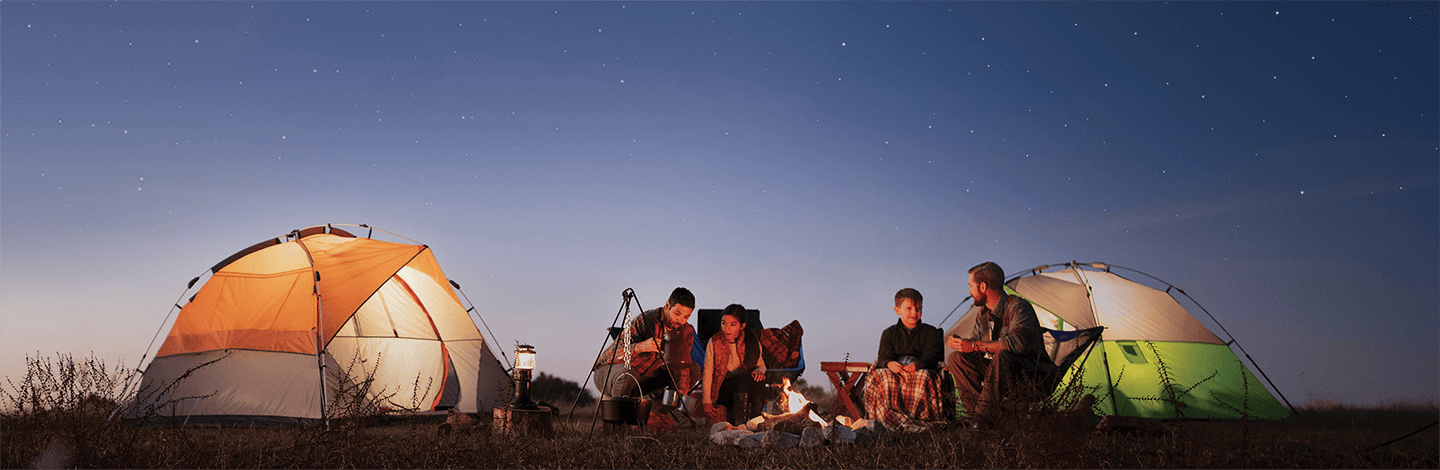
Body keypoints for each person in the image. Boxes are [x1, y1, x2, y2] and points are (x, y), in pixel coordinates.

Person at [945, 262, 1053, 421]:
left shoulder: (1018, 306)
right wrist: (964, 345)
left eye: (971, 286)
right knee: (956, 358)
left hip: (1032, 377)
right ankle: (979, 418)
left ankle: (981, 420)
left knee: (1003, 356)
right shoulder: (983, 315)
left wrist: (974, 345)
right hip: (998, 376)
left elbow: (1017, 343)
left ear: (982, 287)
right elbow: (976, 345)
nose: (969, 291)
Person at [863, 288, 945, 432]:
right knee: (885, 377)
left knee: (924, 377)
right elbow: (884, 357)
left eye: (918, 308)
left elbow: (931, 356)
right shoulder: (889, 333)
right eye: (909, 308)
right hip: (895, 369)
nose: (914, 312)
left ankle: (918, 422)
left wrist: (918, 364)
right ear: (897, 310)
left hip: (919, 368)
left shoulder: (930, 332)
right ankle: (888, 421)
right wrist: (890, 364)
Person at [594, 287, 699, 400]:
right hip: (610, 373)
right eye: (677, 313)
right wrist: (640, 347)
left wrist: (679, 395)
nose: (680, 320)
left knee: (694, 368)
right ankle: (621, 413)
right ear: (667, 306)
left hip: (645, 380)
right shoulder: (647, 320)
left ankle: (657, 413)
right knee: (629, 373)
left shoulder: (686, 332)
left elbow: (681, 369)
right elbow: (612, 353)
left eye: (686, 317)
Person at [700, 304, 768, 426]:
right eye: (724, 323)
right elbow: (707, 372)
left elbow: (761, 365)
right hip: (723, 389)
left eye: (733, 325)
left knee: (758, 380)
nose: (727, 329)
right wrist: (706, 402)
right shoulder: (714, 342)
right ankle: (740, 424)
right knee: (744, 378)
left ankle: (755, 423)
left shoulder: (751, 342)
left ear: (742, 326)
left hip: (746, 389)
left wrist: (759, 371)